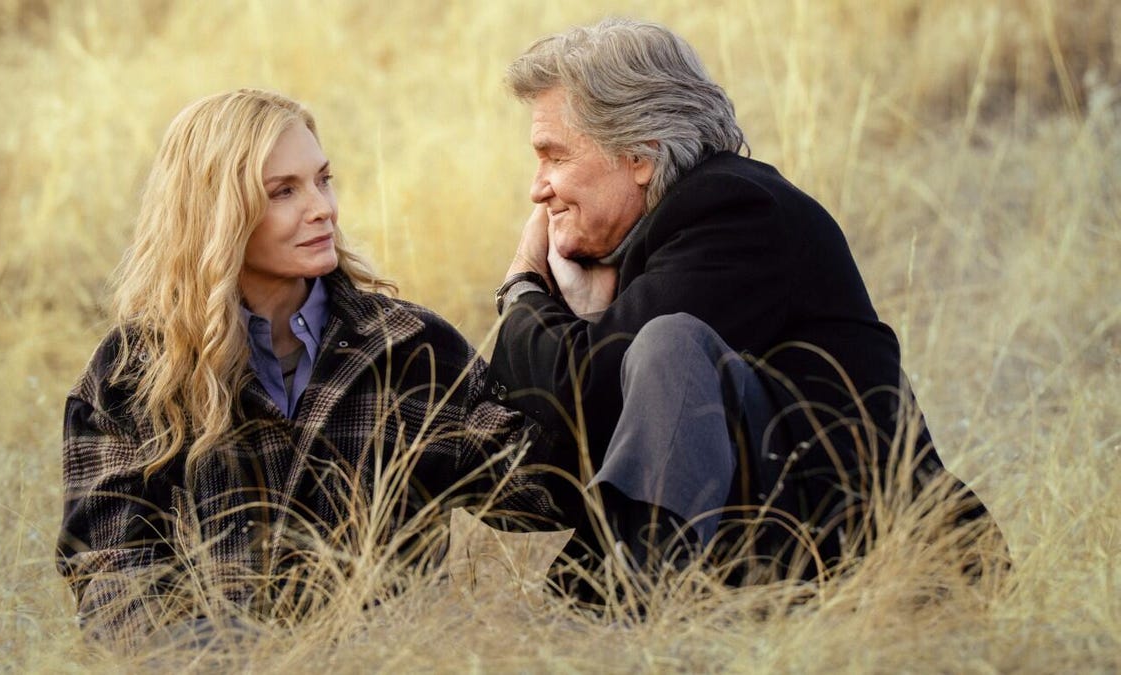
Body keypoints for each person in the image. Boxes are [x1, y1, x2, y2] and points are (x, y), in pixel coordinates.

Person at [489, 18, 1005, 577]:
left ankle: (638, 600)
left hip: (887, 560)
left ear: (639, 154)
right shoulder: (659, 239)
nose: (537, 188)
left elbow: (584, 392)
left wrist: (523, 284)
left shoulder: (734, 210)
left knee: (669, 343)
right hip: (790, 551)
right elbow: (545, 463)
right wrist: (591, 315)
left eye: (555, 156)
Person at [57, 89, 552, 648]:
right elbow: (113, 590)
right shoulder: (132, 373)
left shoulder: (411, 349)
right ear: (216, 211)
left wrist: (544, 303)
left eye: (323, 179)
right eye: (283, 191)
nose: (322, 208)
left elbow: (540, 494)